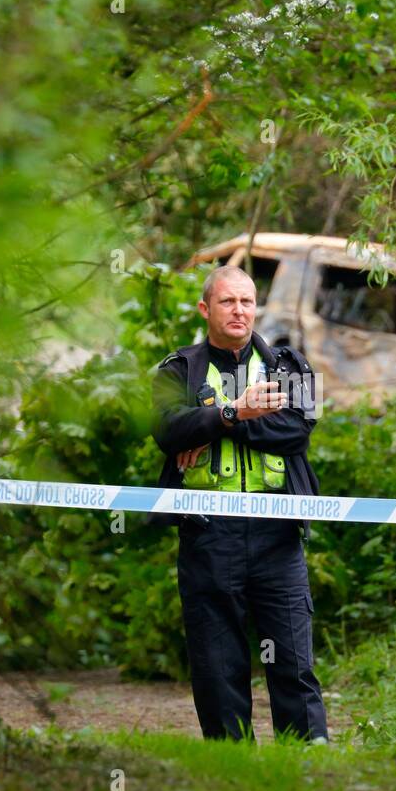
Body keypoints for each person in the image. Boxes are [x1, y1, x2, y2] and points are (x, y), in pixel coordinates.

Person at [150, 264, 329, 743]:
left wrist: (219, 423)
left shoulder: (288, 365)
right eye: (228, 302)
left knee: (291, 651)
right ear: (206, 309)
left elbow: (296, 431)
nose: (240, 311)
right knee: (217, 656)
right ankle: (231, 754)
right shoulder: (178, 369)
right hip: (209, 530)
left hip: (277, 529)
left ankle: (308, 748)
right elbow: (168, 432)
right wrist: (231, 411)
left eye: (247, 301)